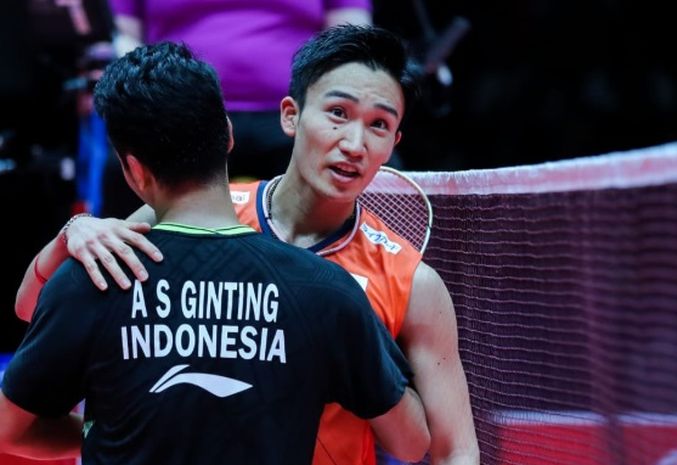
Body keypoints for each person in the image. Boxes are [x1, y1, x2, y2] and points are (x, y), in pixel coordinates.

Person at [14, 26, 479, 465]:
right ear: (291, 115)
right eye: (338, 113)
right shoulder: (200, 210)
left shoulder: (411, 281)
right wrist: (71, 235)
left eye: (379, 125)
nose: (354, 143)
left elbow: (448, 449)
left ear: (394, 142)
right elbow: (37, 307)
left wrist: (354, 342)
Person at [110, 0, 372, 182]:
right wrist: (146, 95)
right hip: (179, 112)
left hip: (298, 113)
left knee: (373, 167)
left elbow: (352, 36)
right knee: (126, 164)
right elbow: (122, 35)